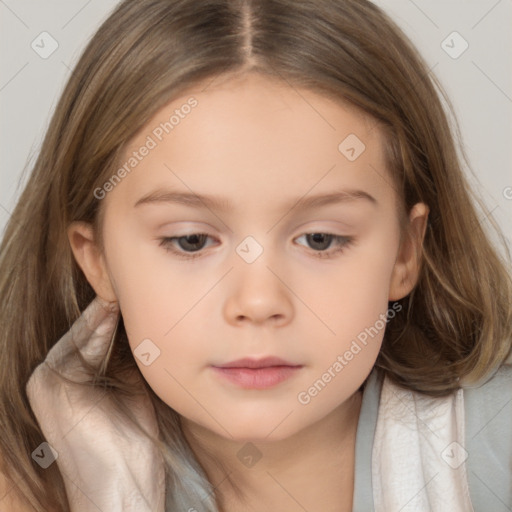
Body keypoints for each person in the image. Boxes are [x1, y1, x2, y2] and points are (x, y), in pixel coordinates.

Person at [0, 0, 511, 511]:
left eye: (320, 239)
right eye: (191, 241)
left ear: (404, 251)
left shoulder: (491, 446)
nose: (259, 301)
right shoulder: (29, 482)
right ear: (98, 261)